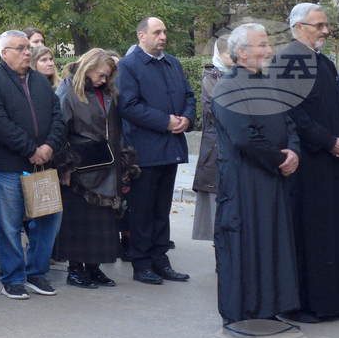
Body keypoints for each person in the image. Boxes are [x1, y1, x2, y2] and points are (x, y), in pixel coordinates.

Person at [271, 3, 339, 322]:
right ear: (298, 28)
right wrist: (329, 141)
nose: (326, 30)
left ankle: (335, 301)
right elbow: (293, 115)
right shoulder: (287, 62)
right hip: (308, 164)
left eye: (326, 24)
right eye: (319, 25)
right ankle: (307, 305)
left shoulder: (324, 63)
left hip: (334, 162)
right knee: (309, 233)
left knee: (335, 231)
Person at [211, 24, 301, 328]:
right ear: (242, 52)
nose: (269, 50)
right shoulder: (227, 87)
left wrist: (294, 152)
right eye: (262, 45)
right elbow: (243, 138)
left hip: (273, 177)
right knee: (243, 245)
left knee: (272, 243)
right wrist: (279, 160)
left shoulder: (270, 83)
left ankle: (267, 309)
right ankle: (236, 316)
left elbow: (289, 123)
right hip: (243, 180)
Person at [0, 30, 66, 299]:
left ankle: (36, 273)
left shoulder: (40, 81)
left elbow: (57, 117)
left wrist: (48, 147)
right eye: (21, 48)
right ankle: (13, 278)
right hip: (7, 165)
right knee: (10, 224)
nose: (28, 52)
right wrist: (30, 150)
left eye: (28, 48)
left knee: (49, 218)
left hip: (42, 165)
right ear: (5, 54)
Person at [116, 16, 196, 285]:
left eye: (164, 32)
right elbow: (128, 105)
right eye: (157, 32)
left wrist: (186, 118)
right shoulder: (129, 65)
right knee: (142, 210)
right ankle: (141, 264)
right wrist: (165, 121)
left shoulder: (173, 62)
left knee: (162, 209)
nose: (163, 36)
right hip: (144, 151)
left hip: (170, 148)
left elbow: (189, 96)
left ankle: (161, 260)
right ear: (142, 36)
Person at [53, 49, 139, 289]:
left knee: (102, 221)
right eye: (101, 75)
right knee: (78, 221)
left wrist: (124, 161)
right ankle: (75, 269)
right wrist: (65, 166)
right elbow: (60, 131)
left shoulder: (108, 93)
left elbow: (116, 129)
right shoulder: (68, 91)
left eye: (107, 76)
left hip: (107, 163)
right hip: (81, 166)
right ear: (87, 68)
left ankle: (94, 267)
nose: (104, 80)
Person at [191, 37, 232, 243]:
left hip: (233, 151)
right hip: (216, 150)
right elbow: (215, 112)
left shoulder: (243, 75)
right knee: (218, 209)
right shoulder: (211, 78)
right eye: (228, 53)